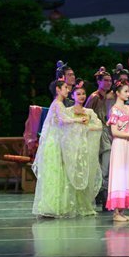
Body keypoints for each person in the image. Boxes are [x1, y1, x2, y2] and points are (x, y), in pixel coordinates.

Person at [32, 80, 102, 217]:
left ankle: (58, 206)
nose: (67, 90)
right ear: (58, 89)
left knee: (60, 174)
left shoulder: (60, 104)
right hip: (54, 142)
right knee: (55, 173)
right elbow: (63, 120)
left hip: (57, 141)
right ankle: (51, 206)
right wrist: (78, 120)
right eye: (65, 87)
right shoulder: (57, 104)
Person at [106, 80, 129, 221]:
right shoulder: (115, 110)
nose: (128, 94)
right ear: (118, 93)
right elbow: (114, 131)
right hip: (120, 145)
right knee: (119, 175)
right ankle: (116, 212)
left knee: (128, 174)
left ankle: (121, 211)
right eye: (125, 91)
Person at [85, 67, 114, 211]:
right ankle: (101, 194)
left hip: (105, 131)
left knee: (105, 163)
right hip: (97, 132)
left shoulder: (107, 97)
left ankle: (103, 194)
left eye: (110, 81)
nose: (108, 83)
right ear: (99, 81)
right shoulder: (94, 97)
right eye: (106, 80)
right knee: (102, 163)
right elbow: (86, 113)